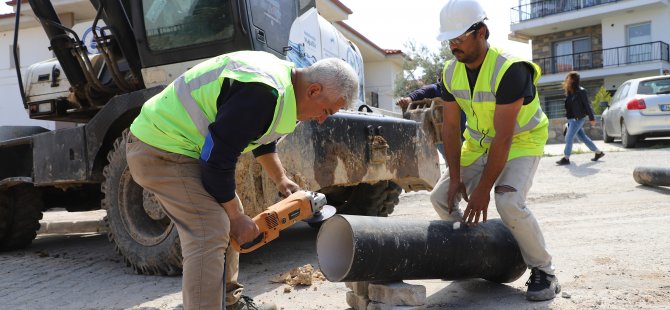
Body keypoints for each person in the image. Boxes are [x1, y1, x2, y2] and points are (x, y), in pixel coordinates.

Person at [125, 51, 358, 310]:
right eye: (326, 110)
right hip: (159, 148)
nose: (323, 118)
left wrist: (281, 180)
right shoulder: (262, 91)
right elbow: (216, 161)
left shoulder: (284, 86)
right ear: (314, 90)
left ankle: (228, 302)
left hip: (185, 147)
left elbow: (261, 135)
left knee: (227, 217)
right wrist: (236, 218)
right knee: (210, 228)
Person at [429, 0, 560, 302]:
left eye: (459, 38)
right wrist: (458, 176)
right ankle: (471, 254)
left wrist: (482, 190)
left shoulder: (510, 70)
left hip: (520, 142)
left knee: (508, 200)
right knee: (440, 196)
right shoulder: (450, 72)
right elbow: (449, 129)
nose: (454, 46)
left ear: (482, 32)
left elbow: (503, 138)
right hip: (477, 144)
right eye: (450, 40)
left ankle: (545, 272)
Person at [395, 82, 467, 157]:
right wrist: (406, 100)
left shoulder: (462, 89)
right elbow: (418, 93)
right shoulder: (435, 89)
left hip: (464, 134)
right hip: (444, 138)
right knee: (455, 162)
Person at [555, 71, 605, 165]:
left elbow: (587, 105)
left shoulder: (581, 91)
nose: (566, 80)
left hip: (578, 119)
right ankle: (598, 152)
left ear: (573, 80)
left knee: (568, 137)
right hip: (571, 120)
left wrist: (592, 118)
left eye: (568, 78)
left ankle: (566, 158)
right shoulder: (570, 92)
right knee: (583, 137)